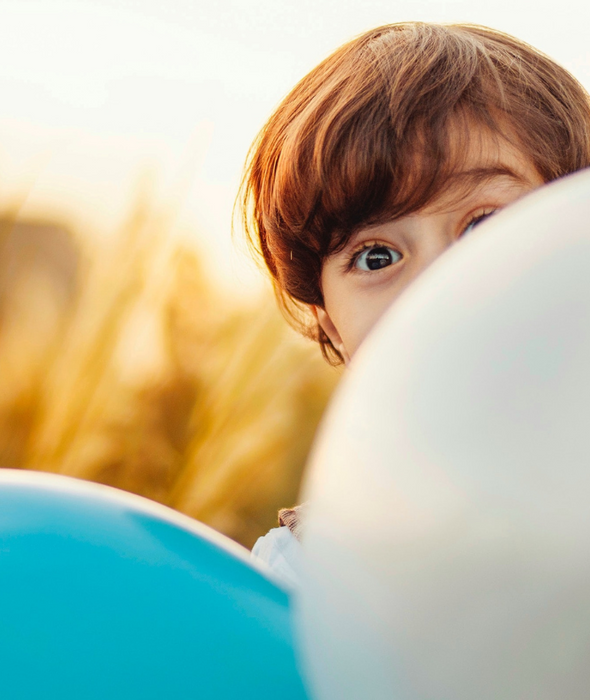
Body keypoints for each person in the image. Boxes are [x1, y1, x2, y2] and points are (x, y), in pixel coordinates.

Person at [238, 21, 590, 588]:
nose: (437, 283)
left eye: (485, 224)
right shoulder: (305, 575)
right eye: (376, 258)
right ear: (331, 323)